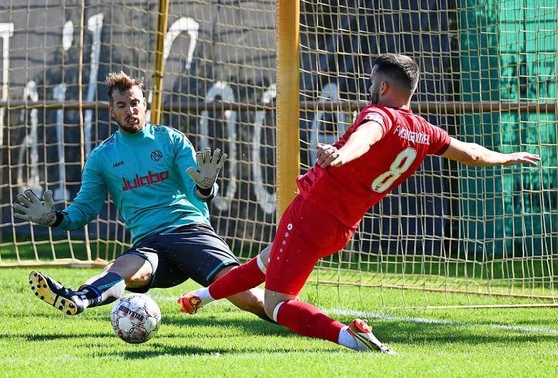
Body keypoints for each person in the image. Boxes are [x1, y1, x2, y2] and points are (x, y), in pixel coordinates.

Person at [177, 53, 541, 354]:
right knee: (267, 261)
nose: (369, 88)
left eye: (372, 82)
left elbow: (367, 138)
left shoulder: (379, 115)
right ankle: (199, 298)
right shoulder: (426, 131)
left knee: (277, 305)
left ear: (384, 86)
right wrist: (505, 157)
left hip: (312, 213)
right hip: (342, 227)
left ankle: (351, 338)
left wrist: (340, 153)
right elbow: (472, 154)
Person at [13, 71, 266, 319]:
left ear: (144, 103)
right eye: (122, 105)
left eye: (134, 103)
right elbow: (83, 210)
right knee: (121, 270)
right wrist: (55, 218)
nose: (130, 110)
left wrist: (206, 187)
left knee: (248, 298)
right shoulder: (102, 157)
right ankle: (79, 298)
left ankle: (287, 313)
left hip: (190, 231)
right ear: (112, 110)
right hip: (149, 243)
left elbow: (198, 191)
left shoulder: (170, 139)